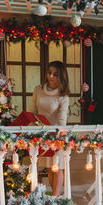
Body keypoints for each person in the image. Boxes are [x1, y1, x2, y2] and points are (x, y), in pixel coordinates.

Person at [29, 61, 70, 196]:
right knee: (48, 166)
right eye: (49, 73)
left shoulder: (63, 95)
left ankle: (55, 197)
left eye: (55, 74)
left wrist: (58, 137)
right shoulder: (38, 89)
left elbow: (62, 119)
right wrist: (32, 131)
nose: (51, 76)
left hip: (56, 134)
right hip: (40, 132)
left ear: (61, 76)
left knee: (57, 166)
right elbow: (33, 111)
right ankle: (54, 197)